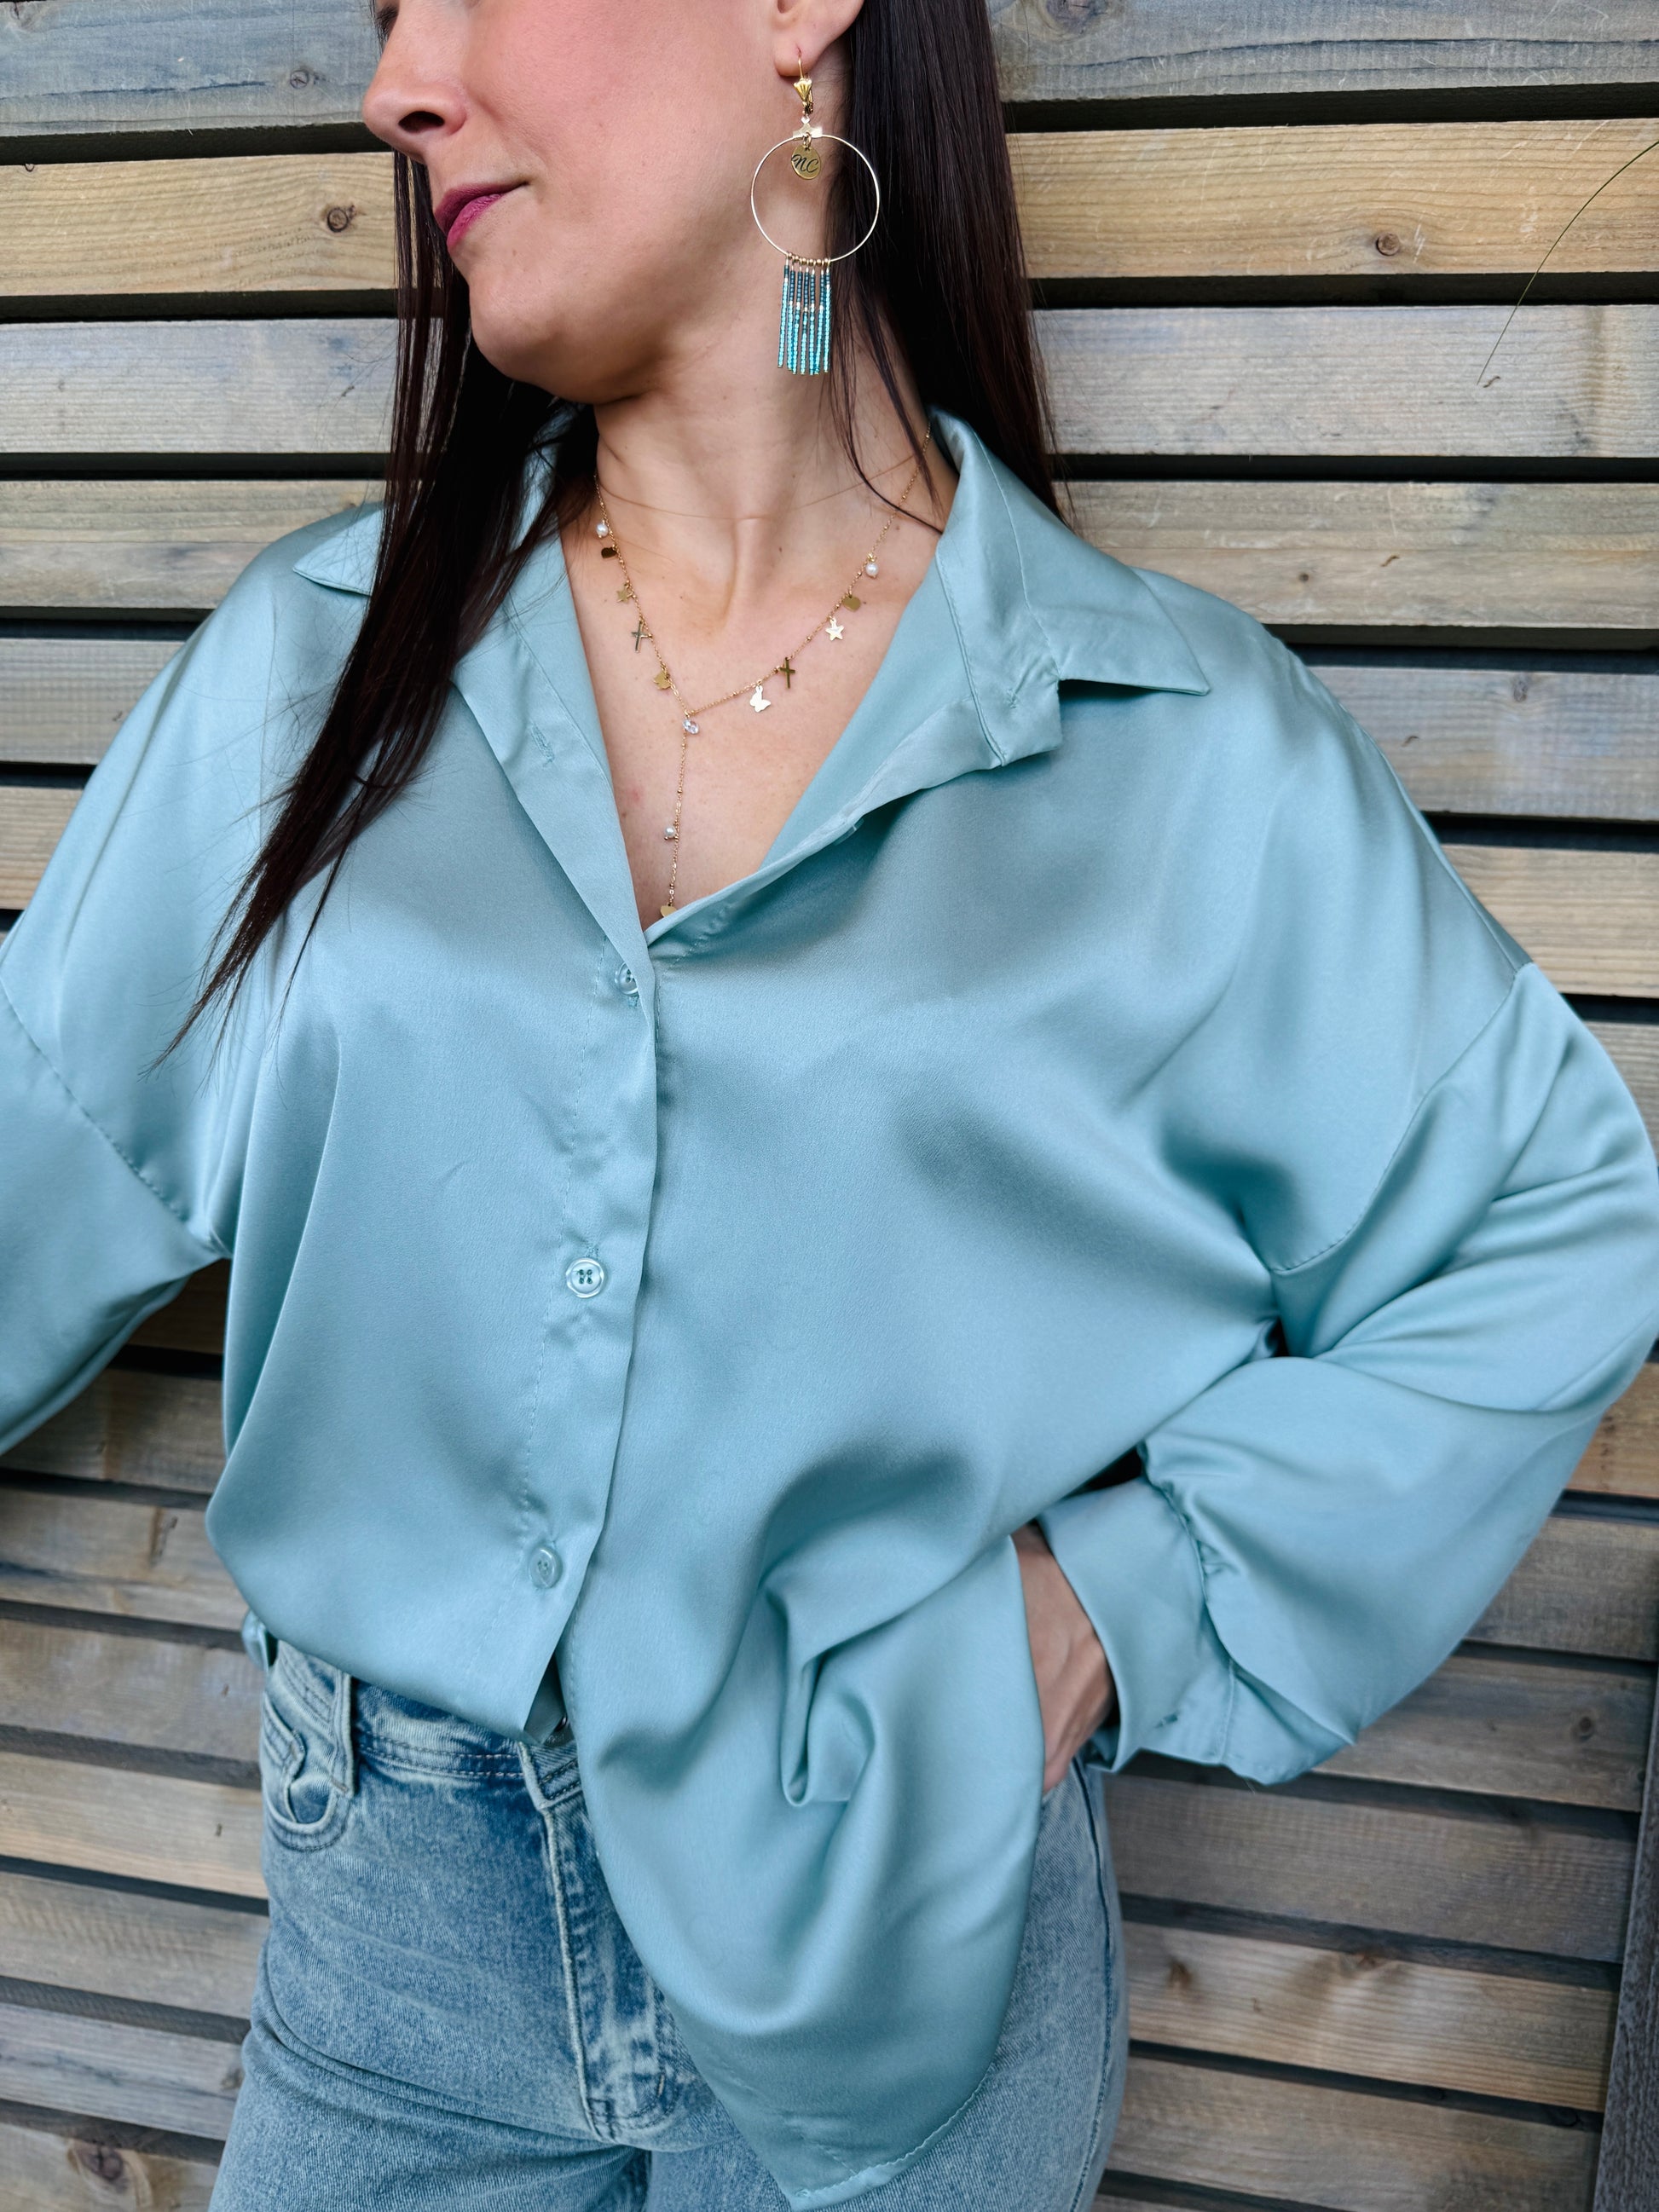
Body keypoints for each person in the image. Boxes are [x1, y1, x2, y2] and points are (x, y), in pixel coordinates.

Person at [3, 0, 1656, 2204]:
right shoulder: (306, 682)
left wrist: (1118, 1599)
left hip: (908, 1989)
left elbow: (1554, 1221)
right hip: (392, 1961)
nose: (399, 83)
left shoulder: (1175, 748)